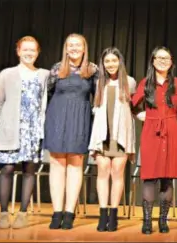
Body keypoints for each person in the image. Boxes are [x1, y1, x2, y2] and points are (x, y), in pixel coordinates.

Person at [0, 36, 50, 229]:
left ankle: (23, 213)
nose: (29, 53)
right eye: (25, 49)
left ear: (38, 52)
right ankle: (4, 213)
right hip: (10, 130)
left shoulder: (45, 75)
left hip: (33, 131)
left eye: (33, 50)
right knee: (7, 169)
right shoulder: (6, 74)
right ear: (18, 51)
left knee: (29, 170)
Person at [44, 33, 98, 230]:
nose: (74, 48)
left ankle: (69, 212)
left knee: (75, 164)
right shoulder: (57, 69)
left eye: (78, 45)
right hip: (57, 117)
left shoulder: (92, 70)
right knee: (57, 164)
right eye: (70, 45)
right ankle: (56, 212)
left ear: (84, 48)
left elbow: (98, 96)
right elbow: (48, 94)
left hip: (80, 120)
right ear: (66, 48)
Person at [131, 46, 177, 234]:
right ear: (153, 60)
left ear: (172, 62)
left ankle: (163, 220)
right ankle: (147, 221)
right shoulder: (146, 83)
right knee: (149, 177)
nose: (163, 61)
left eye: (167, 58)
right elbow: (132, 104)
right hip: (151, 131)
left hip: (171, 131)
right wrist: (139, 114)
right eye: (159, 58)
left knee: (167, 177)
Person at [88, 47, 136, 232]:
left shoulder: (129, 82)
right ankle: (103, 214)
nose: (111, 64)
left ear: (120, 62)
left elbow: (132, 109)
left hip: (121, 135)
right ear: (103, 64)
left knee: (117, 171)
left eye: (114, 61)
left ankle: (114, 214)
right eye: (107, 61)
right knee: (103, 170)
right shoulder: (98, 82)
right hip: (102, 135)